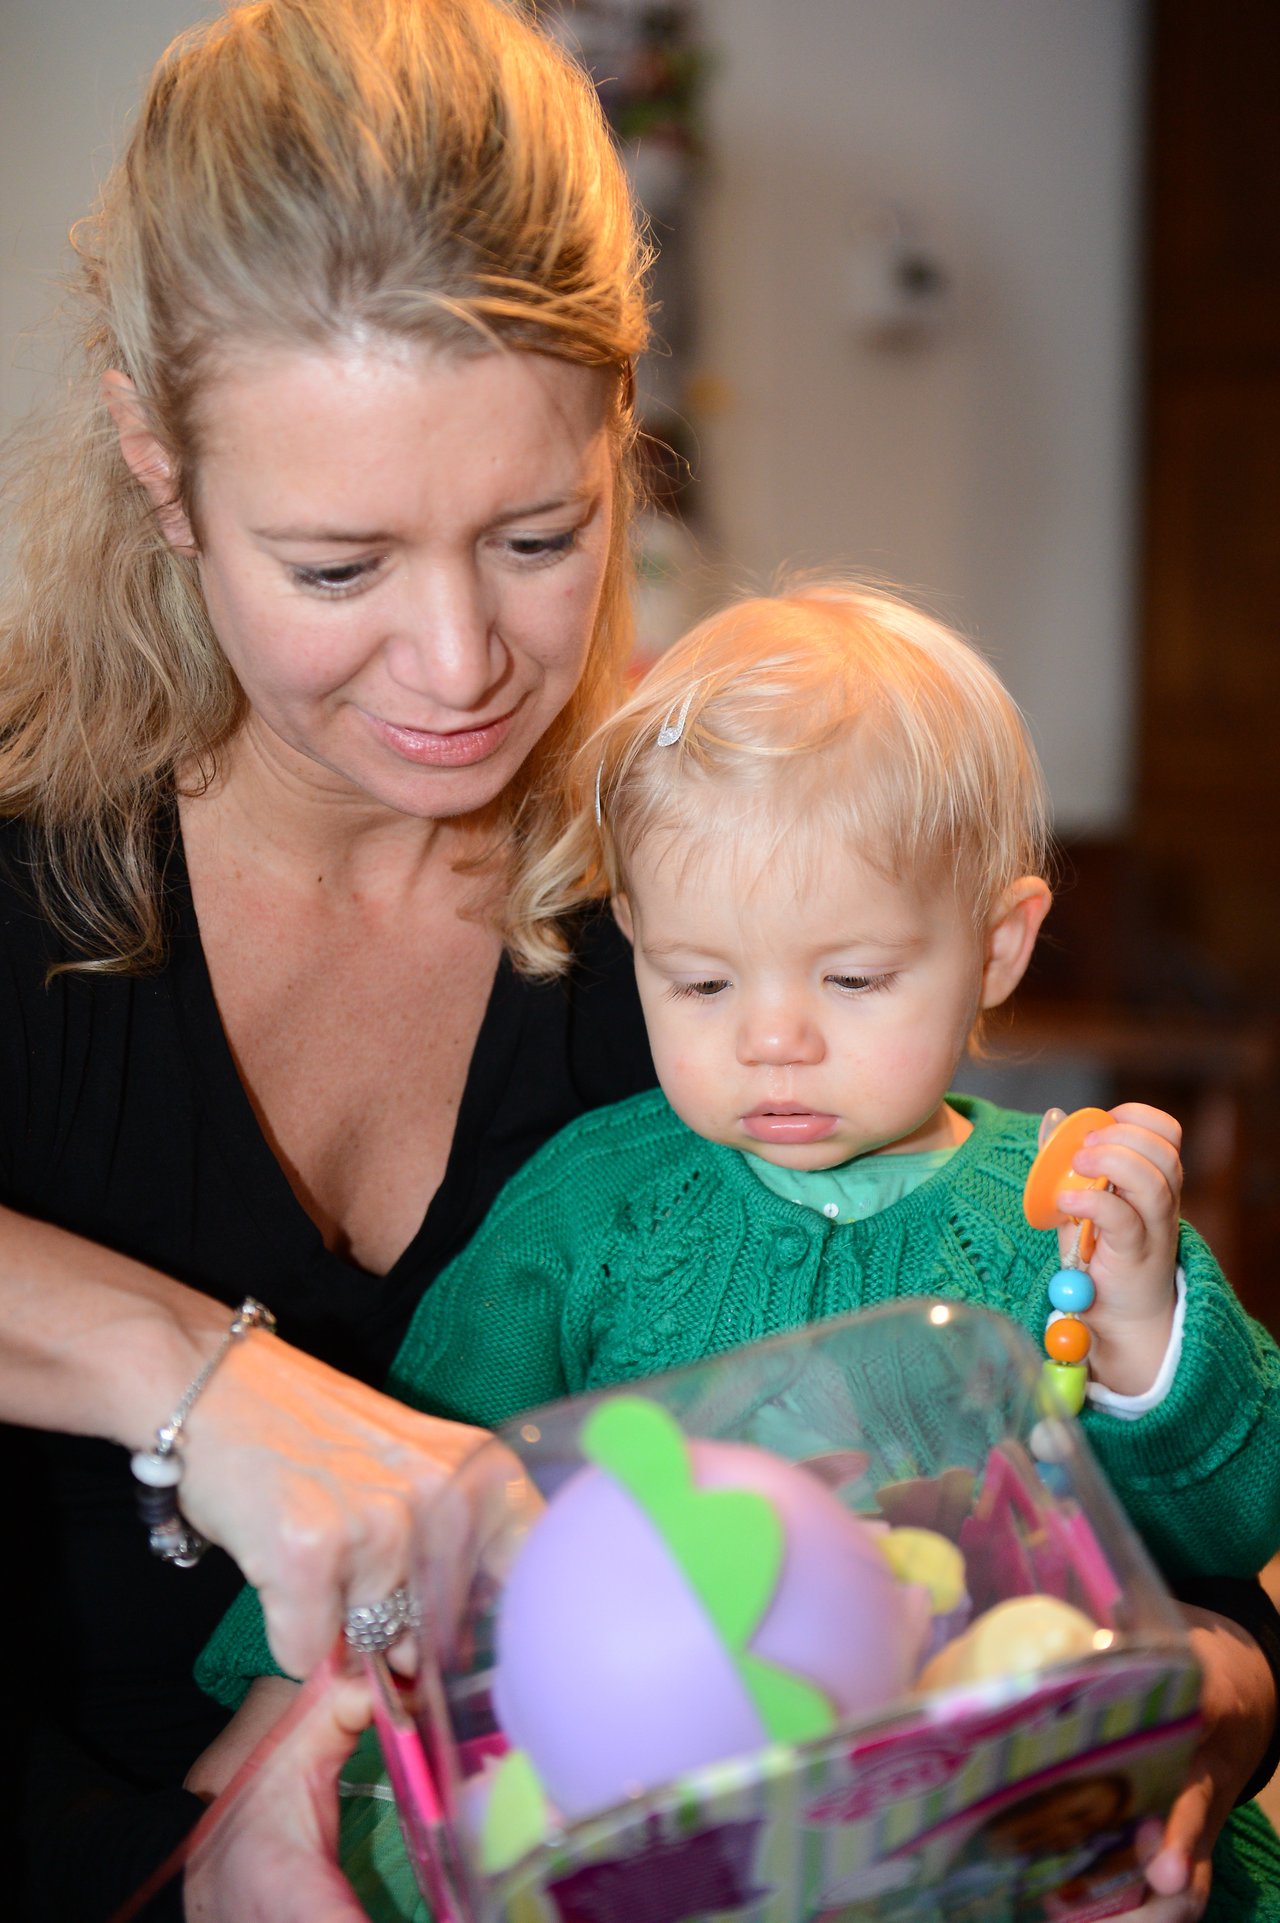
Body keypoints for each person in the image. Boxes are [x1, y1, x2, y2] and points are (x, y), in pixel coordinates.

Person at [196, 584, 1280, 1922]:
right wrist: (282, 1708)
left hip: (966, 1810)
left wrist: (1144, 1330)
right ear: (637, 945)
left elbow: (1235, 1525)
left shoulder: (1059, 1218)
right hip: (653, 1802)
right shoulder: (593, 1205)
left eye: (852, 980)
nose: (774, 1039)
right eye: (703, 983)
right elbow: (402, 1461)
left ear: (998, 947)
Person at [0, 1, 664, 1916]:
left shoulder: (711, 908)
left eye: (538, 533)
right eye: (340, 569)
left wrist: (1215, 1686)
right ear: (157, 460)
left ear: (620, 424)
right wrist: (198, 1385)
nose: (458, 668)